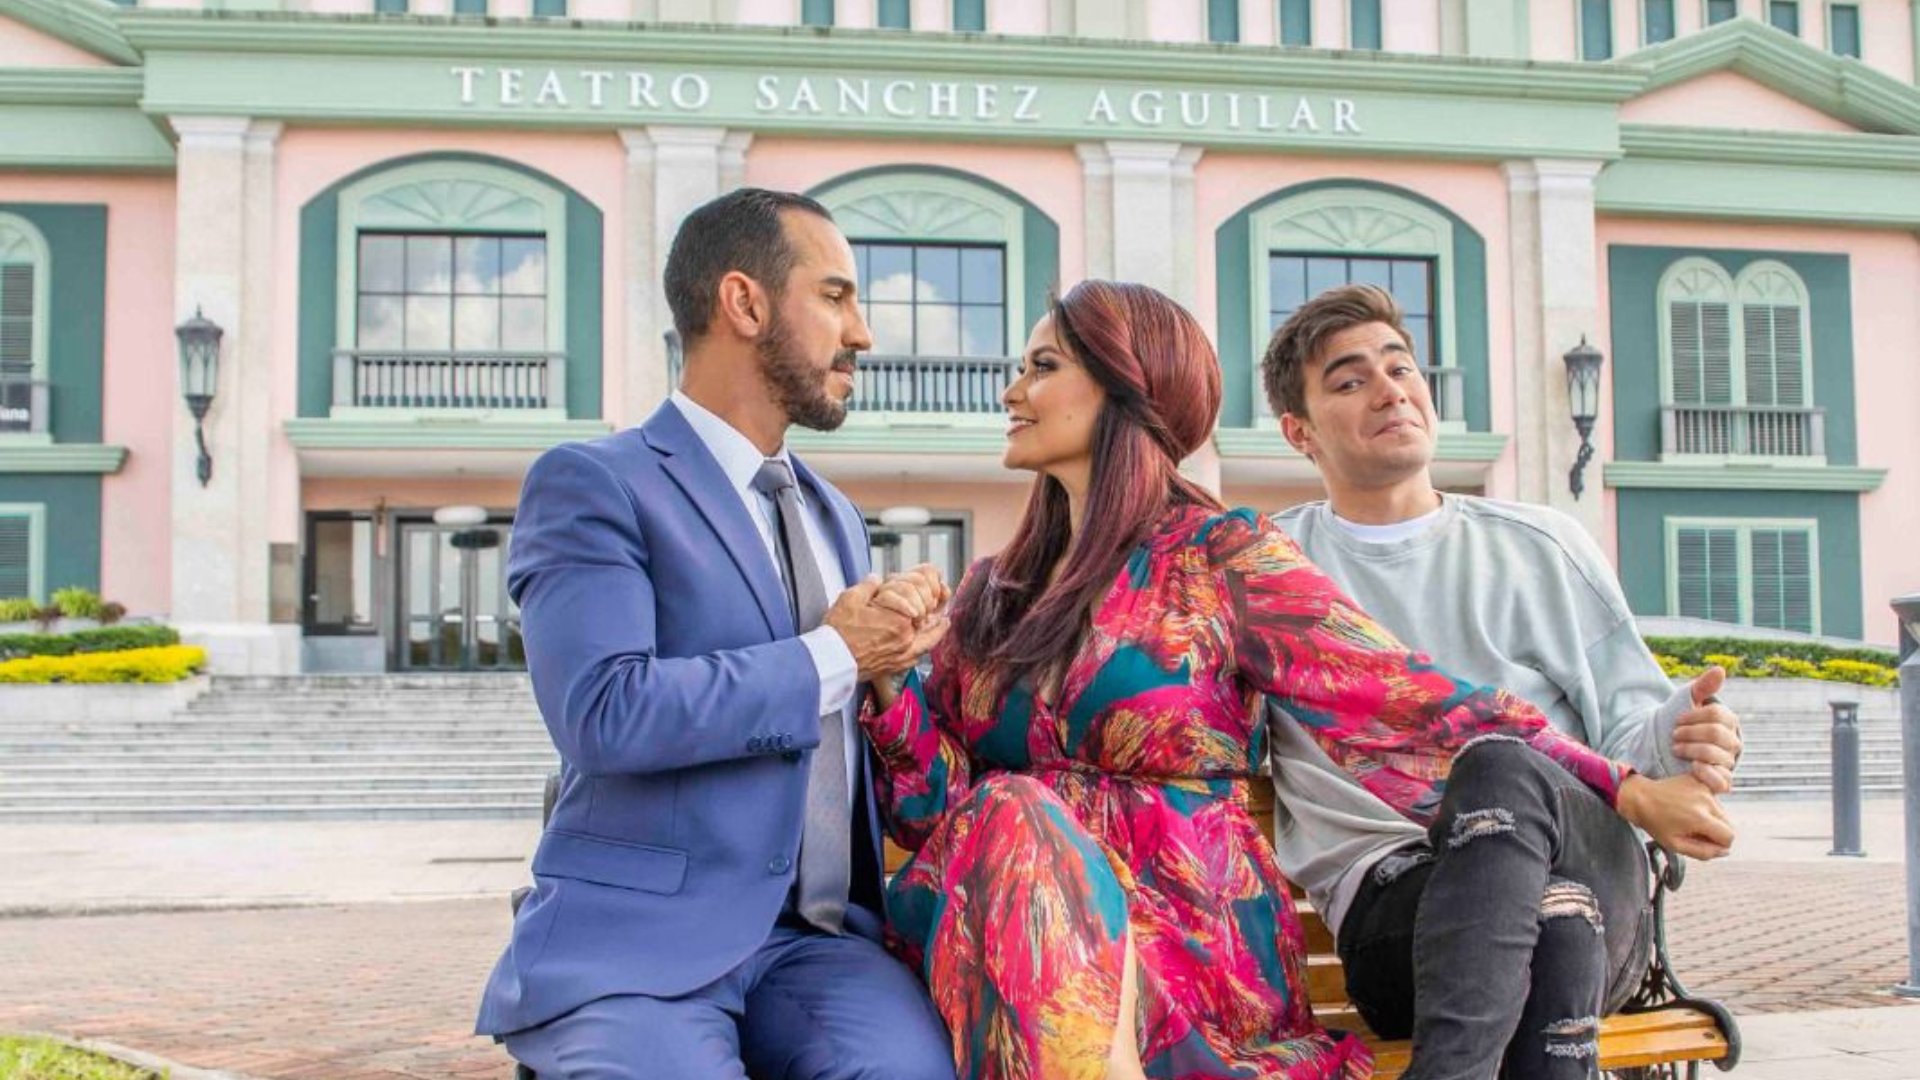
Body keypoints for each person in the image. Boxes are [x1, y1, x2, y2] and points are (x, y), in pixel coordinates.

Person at [856, 279, 1726, 1080]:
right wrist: (894, 681)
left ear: (1127, 387)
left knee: (1017, 820)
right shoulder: (992, 593)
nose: (1012, 392)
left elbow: (1405, 700)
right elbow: (932, 811)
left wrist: (1625, 786)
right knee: (1012, 813)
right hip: (1026, 933)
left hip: (1190, 943)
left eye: (1042, 367)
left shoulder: (1220, 557)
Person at [475, 188, 956, 1080]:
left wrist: (892, 671)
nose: (862, 333)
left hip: (820, 947)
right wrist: (836, 654)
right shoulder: (595, 484)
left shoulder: (837, 515)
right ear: (744, 303)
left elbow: (848, 717)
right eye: (836, 297)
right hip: (635, 949)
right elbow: (602, 712)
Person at [1258, 283, 1741, 1078]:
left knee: (1497, 766)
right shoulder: (1270, 572)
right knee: (1553, 928)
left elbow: (1632, 726)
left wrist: (1681, 732)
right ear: (1298, 431)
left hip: (1587, 872)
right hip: (1402, 913)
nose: (1390, 391)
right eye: (1350, 380)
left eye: (1400, 368)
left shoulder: (1541, 544)